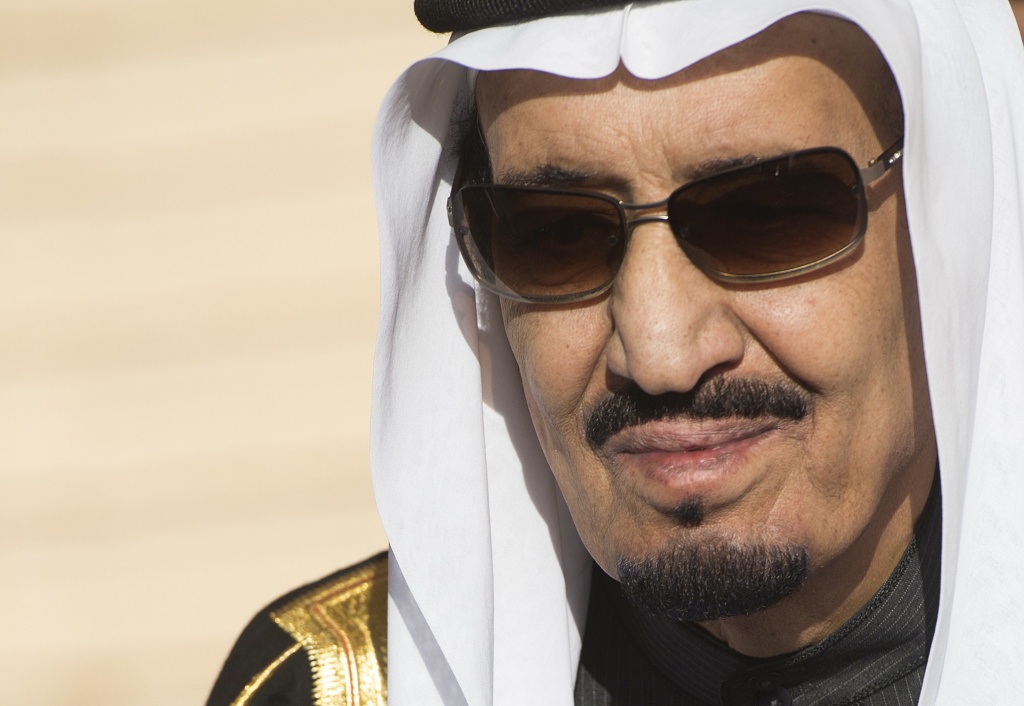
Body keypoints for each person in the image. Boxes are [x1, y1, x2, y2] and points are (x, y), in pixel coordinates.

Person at [207, 0, 1024, 704]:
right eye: (556, 234)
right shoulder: (323, 686)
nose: (660, 353)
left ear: (954, 213)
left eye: (768, 214)